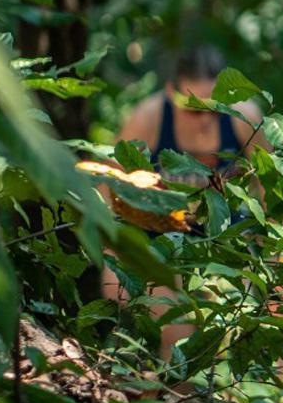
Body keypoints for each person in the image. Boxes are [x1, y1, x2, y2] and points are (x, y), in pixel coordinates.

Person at [98, 47, 266, 350]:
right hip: (156, 240)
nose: (204, 120)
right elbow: (108, 183)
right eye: (193, 109)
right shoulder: (149, 117)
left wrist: (268, 250)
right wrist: (112, 247)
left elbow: (270, 189)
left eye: (213, 109)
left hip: (220, 245)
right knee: (175, 327)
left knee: (219, 330)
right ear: (170, 93)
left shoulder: (244, 118)